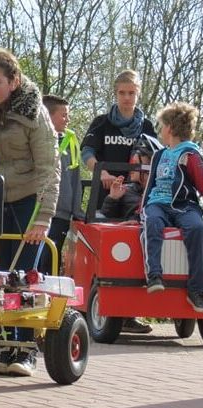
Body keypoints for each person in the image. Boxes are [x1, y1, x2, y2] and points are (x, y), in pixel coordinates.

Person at [0, 48, 60, 377]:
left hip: (27, 199)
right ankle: (6, 347)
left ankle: (26, 349)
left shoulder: (34, 113)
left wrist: (43, 217)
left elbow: (49, 167)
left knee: (23, 276)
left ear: (14, 81)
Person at [81, 69, 156, 334]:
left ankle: (128, 315)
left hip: (136, 200)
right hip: (106, 199)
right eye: (122, 93)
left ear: (138, 94)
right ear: (115, 94)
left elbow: (155, 156)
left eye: (131, 93)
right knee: (105, 256)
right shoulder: (102, 123)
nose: (127, 98)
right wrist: (100, 172)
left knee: (134, 253)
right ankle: (98, 307)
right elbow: (87, 152)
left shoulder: (147, 127)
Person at [141, 102, 203, 313]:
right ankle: (154, 276)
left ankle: (196, 290)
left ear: (170, 128)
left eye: (161, 126)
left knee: (197, 228)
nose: (160, 131)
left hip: (184, 205)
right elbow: (150, 185)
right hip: (158, 203)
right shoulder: (159, 155)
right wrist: (141, 210)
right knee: (152, 222)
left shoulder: (191, 155)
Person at [38, 95, 83, 275]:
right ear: (48, 116)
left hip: (62, 213)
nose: (68, 119)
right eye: (63, 115)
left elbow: (75, 178)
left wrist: (76, 210)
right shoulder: (36, 141)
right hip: (39, 212)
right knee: (36, 260)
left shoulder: (70, 142)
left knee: (52, 260)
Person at [100, 134, 160, 221]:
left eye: (136, 164)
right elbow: (106, 219)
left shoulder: (163, 193)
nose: (131, 168)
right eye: (132, 163)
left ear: (149, 167)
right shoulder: (124, 190)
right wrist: (113, 198)